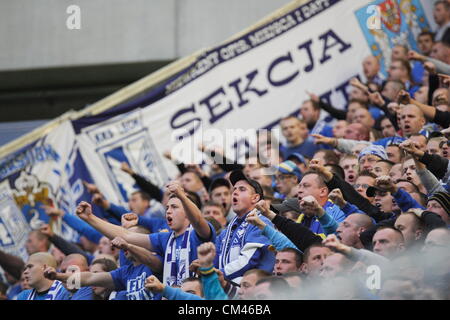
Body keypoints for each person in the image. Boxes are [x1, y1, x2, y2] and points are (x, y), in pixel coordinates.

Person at [74, 180, 216, 287]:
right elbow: (127, 236)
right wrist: (90, 218)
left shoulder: (198, 234)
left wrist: (182, 196)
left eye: (174, 207)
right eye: (167, 208)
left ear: (187, 211)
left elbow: (197, 220)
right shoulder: (165, 239)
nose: (168, 211)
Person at [215, 170, 275, 284]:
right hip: (230, 288)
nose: (235, 192)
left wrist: (217, 274)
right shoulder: (226, 232)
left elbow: (249, 260)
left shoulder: (261, 222)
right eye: (234, 189)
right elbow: (215, 259)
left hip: (256, 290)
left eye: (242, 189)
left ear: (255, 198)